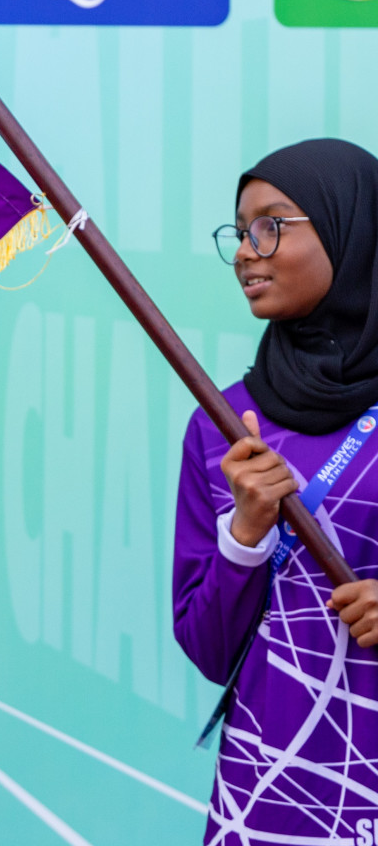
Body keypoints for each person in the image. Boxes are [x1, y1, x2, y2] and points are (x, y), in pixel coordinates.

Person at [174, 138, 378, 843]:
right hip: (270, 791)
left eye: (272, 224)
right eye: (240, 229)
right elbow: (207, 649)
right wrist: (246, 536)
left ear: (352, 227)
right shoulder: (225, 425)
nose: (245, 250)